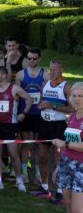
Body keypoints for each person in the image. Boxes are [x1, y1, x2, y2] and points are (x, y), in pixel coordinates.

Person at [0, 66, 32, 192]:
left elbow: (29, 99)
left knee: (13, 154)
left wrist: (24, 113)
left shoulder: (14, 88)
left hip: (10, 126)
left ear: (4, 75)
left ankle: (19, 180)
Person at [38, 59, 72, 202]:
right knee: (42, 157)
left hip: (59, 125)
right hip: (44, 124)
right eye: (50, 70)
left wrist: (53, 106)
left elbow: (72, 108)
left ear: (61, 70)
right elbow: (41, 102)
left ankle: (59, 190)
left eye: (54, 70)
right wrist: (41, 106)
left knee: (58, 159)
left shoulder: (66, 87)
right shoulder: (44, 84)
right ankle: (44, 187)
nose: (51, 73)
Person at [15, 48, 49, 183]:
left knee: (36, 145)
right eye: (29, 58)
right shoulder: (20, 75)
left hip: (39, 114)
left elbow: (47, 94)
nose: (32, 61)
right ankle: (24, 173)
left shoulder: (45, 75)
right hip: (25, 113)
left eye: (34, 58)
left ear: (39, 58)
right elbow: (16, 95)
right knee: (25, 144)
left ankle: (38, 173)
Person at [53, 82, 83, 213]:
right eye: (74, 96)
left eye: (80, 96)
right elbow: (67, 145)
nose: (77, 99)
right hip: (66, 164)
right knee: (69, 206)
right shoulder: (71, 117)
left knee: (78, 209)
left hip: (81, 168)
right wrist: (58, 168)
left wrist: (65, 144)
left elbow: (67, 144)